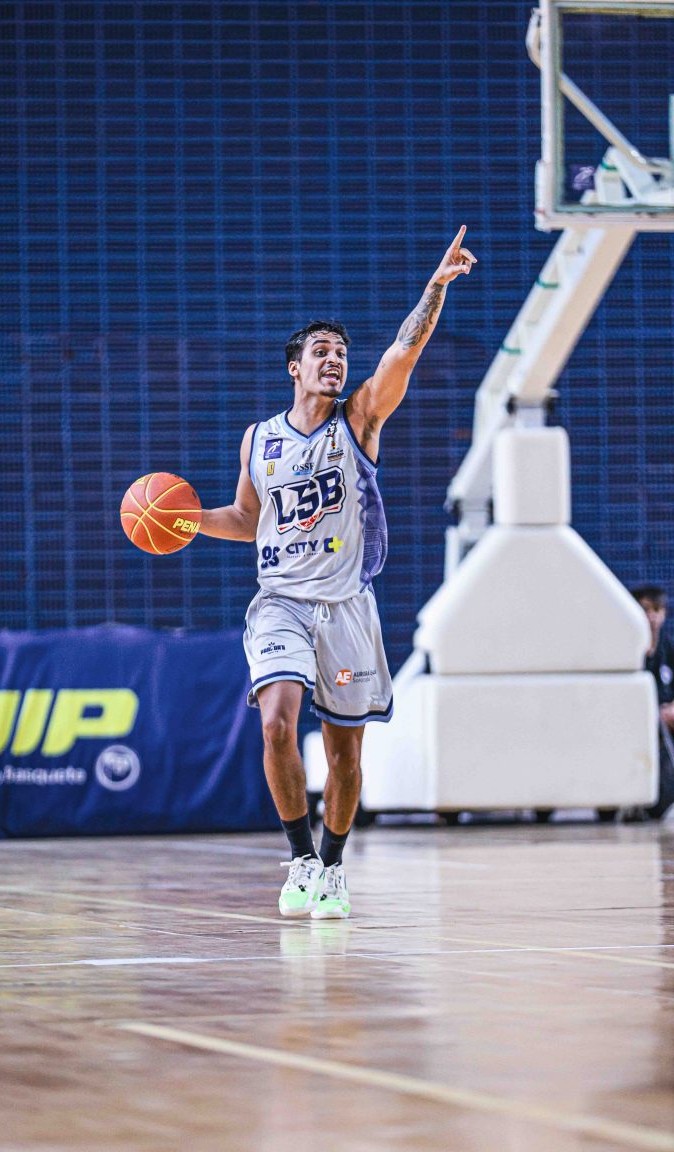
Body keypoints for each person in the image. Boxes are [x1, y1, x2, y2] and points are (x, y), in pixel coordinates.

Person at [200, 226, 477, 917]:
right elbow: (247, 518)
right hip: (281, 603)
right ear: (294, 368)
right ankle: (299, 858)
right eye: (321, 352)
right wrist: (187, 521)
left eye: (341, 353)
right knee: (276, 722)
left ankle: (332, 865)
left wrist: (434, 290)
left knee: (345, 757)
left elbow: (402, 352)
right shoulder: (258, 439)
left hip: (348, 608)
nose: (335, 360)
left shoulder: (358, 421)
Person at [631, 584, 674, 820]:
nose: (651, 617)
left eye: (657, 610)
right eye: (645, 609)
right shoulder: (626, 650)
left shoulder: (669, 647)